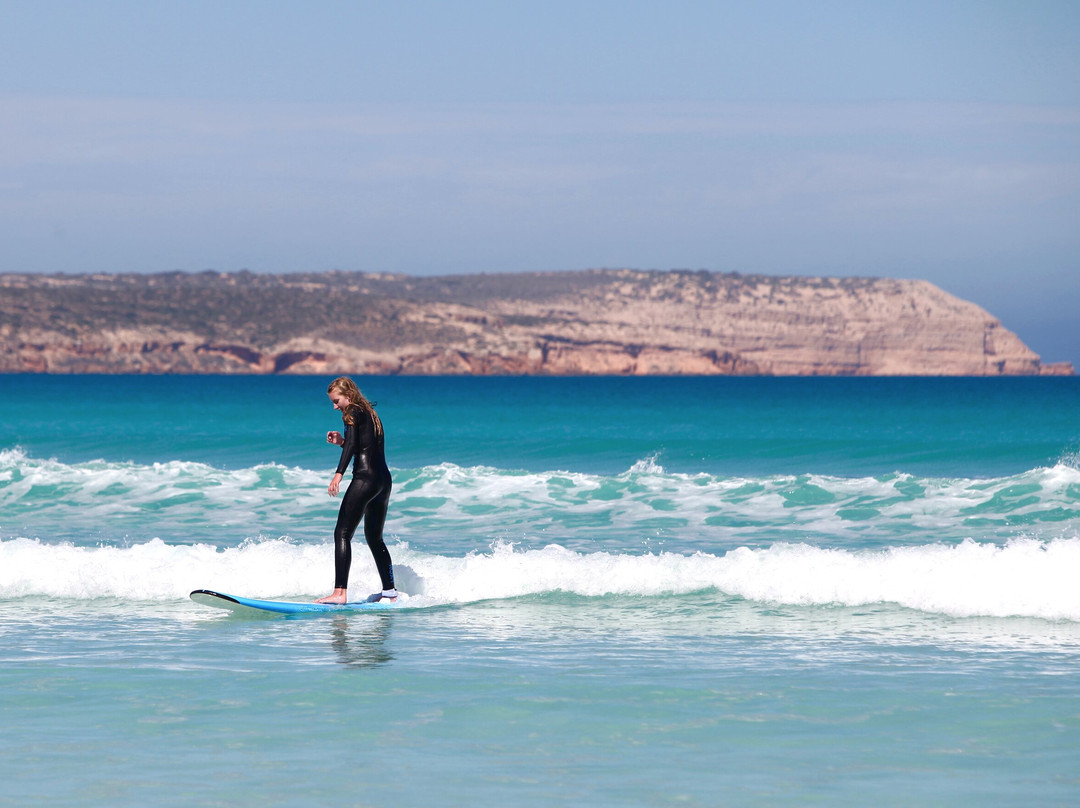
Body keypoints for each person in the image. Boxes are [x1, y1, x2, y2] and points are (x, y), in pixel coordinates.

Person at [315, 377, 398, 604]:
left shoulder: (351, 410)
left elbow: (354, 447)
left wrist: (338, 474)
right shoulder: (369, 412)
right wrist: (342, 442)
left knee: (341, 533)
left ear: (348, 396)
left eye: (336, 400)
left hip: (364, 479)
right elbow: (362, 445)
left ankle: (339, 593)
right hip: (382, 480)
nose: (335, 406)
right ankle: (390, 592)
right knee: (375, 538)